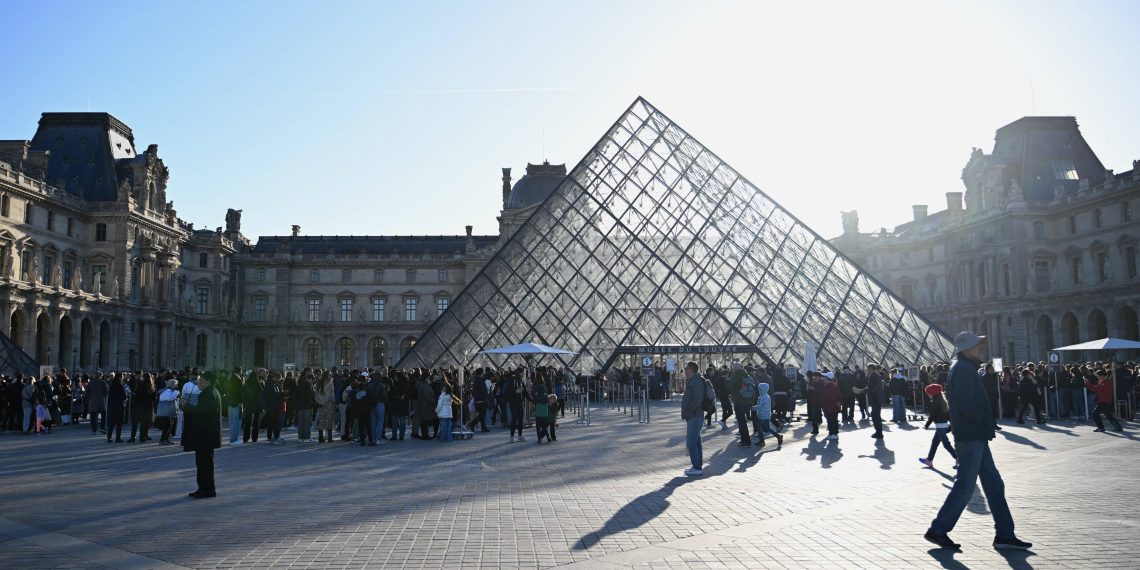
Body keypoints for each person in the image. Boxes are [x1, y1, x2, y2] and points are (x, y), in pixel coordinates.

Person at [925, 331, 1031, 551]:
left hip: (976, 435)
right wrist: (986, 420)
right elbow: (964, 404)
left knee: (994, 485)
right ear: (966, 350)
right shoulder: (962, 370)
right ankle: (938, 530)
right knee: (965, 486)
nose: (980, 348)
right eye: (976, 346)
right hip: (971, 436)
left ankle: (1005, 534)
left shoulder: (964, 368)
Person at [184, 373, 222, 499]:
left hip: (206, 434)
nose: (199, 382)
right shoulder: (210, 392)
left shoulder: (210, 393)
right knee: (202, 463)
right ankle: (203, 488)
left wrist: (186, 406)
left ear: (209, 381)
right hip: (205, 434)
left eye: (201, 380)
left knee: (204, 463)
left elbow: (203, 411)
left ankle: (207, 489)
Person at [919, 383, 957, 469]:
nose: (927, 394)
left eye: (928, 393)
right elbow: (948, 416)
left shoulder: (934, 403)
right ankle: (929, 460)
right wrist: (950, 426)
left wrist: (926, 425)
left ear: (932, 394)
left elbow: (933, 416)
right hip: (943, 426)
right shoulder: (943, 402)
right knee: (935, 443)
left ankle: (958, 458)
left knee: (946, 444)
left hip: (940, 427)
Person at [681, 362, 707, 477]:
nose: (685, 370)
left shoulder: (696, 382)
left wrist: (689, 412)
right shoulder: (694, 381)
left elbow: (697, 400)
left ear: (691, 370)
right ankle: (697, 465)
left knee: (692, 442)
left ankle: (697, 467)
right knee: (696, 441)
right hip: (695, 415)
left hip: (695, 415)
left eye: (686, 368)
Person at [752, 382, 783, 447]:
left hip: (762, 415)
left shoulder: (761, 397)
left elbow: (759, 407)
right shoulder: (767, 396)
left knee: (759, 428)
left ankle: (762, 441)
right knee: (768, 428)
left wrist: (752, 408)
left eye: (759, 389)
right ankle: (778, 436)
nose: (759, 390)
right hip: (768, 415)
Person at [313, 371, 336, 443]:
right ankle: (330, 438)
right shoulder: (330, 383)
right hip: (328, 404)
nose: (331, 376)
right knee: (329, 421)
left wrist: (319, 402)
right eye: (330, 375)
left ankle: (321, 438)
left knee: (321, 421)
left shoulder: (318, 383)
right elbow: (331, 395)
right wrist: (334, 402)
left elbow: (316, 394)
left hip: (320, 405)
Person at [156, 379, 180, 445]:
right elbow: (169, 398)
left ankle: (166, 440)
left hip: (168, 412)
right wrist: (176, 392)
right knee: (166, 427)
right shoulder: (166, 391)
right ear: (172, 385)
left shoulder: (170, 391)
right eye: (175, 384)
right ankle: (162, 440)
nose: (176, 386)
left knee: (169, 427)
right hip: (164, 412)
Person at [821, 371, 842, 441]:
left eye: (824, 377)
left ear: (827, 378)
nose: (823, 378)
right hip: (834, 406)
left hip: (829, 406)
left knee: (830, 421)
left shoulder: (828, 385)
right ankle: (835, 434)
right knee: (834, 420)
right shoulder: (834, 384)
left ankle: (832, 434)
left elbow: (831, 396)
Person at [106, 375, 127, 443]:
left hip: (112, 406)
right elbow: (124, 396)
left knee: (112, 422)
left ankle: (109, 437)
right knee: (119, 423)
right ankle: (118, 438)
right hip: (119, 406)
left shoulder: (112, 386)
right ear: (120, 378)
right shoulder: (120, 386)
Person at [867, 364, 885, 438]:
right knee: (875, 415)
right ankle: (878, 432)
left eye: (867, 368)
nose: (867, 370)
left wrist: (866, 390)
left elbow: (873, 387)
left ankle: (879, 432)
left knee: (875, 415)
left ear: (871, 368)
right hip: (877, 398)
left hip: (876, 398)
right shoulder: (876, 375)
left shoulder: (873, 376)